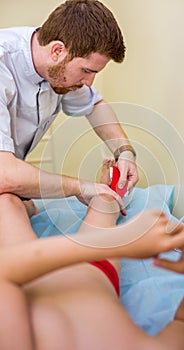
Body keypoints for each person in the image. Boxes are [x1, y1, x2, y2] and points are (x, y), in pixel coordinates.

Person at [0, 160, 184, 350]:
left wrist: (118, 242)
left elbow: (5, 270)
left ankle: (26, 206)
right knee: (104, 204)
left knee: (6, 202)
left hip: (26, 275)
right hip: (93, 274)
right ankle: (107, 191)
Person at [0, 0, 138, 217]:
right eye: (86, 71)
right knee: (11, 205)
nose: (89, 82)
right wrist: (81, 187)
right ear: (57, 50)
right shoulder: (3, 65)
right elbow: (5, 175)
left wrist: (125, 152)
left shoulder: (57, 65)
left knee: (21, 208)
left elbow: (94, 106)